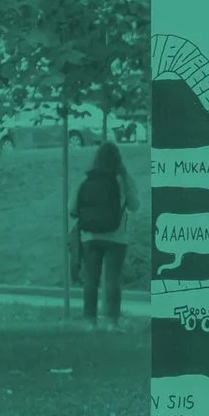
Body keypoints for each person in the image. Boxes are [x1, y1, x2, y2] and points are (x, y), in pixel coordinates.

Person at [73, 139, 137, 328]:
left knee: (91, 279)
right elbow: (134, 205)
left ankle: (90, 322)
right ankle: (112, 322)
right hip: (116, 237)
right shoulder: (121, 179)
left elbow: (72, 208)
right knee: (112, 279)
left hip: (90, 237)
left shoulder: (86, 179)